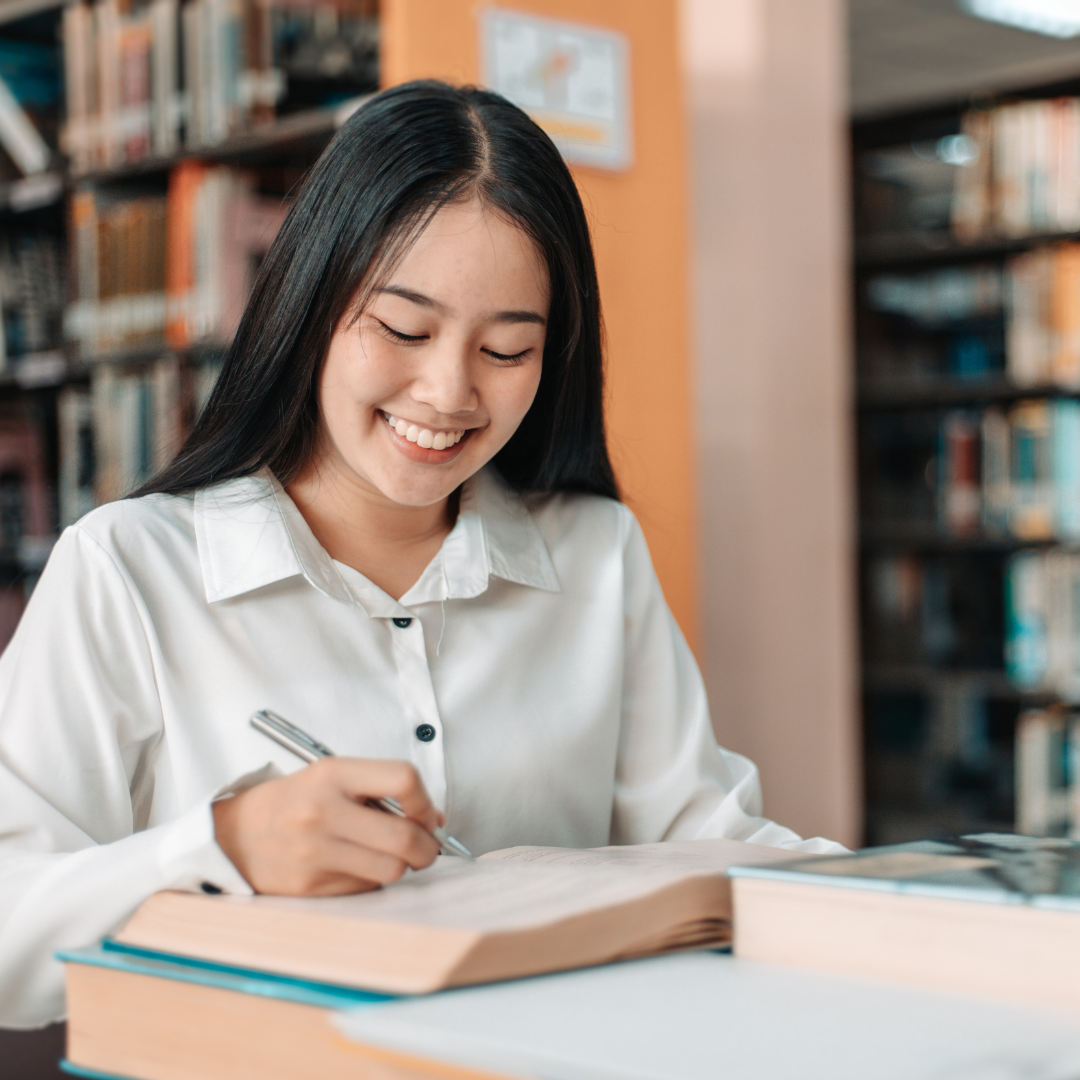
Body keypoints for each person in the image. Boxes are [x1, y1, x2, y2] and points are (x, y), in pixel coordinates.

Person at [0, 80, 841, 1029]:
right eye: (403, 330)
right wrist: (221, 847)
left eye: (509, 350)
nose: (448, 392)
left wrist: (923, 900)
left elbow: (708, 841)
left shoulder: (596, 554)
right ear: (313, 305)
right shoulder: (127, 570)